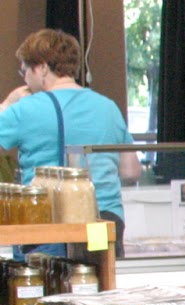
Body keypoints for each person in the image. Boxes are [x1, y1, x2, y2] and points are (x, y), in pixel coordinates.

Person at [0, 29, 138, 250]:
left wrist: (7, 103)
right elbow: (131, 171)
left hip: (48, 222)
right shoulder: (108, 107)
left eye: (25, 71)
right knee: (100, 281)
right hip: (104, 221)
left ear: (42, 67)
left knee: (54, 279)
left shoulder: (25, 108)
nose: (24, 79)